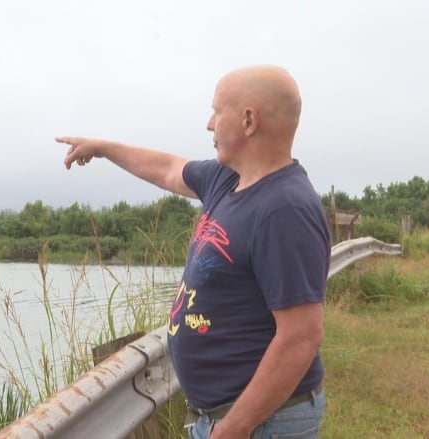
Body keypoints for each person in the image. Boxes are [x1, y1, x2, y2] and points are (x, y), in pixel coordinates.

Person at [55, 65, 330, 439]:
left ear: (248, 121)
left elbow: (301, 336)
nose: (209, 124)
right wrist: (102, 148)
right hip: (229, 417)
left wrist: (236, 427)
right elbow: (166, 168)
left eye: (217, 112)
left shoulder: (284, 209)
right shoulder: (227, 180)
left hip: (261, 423)